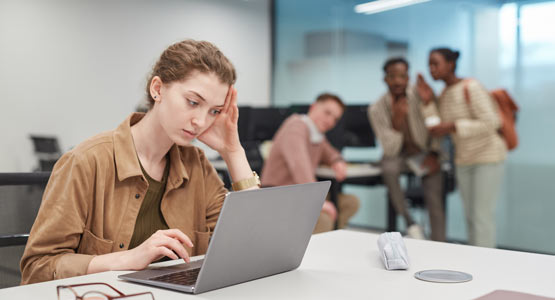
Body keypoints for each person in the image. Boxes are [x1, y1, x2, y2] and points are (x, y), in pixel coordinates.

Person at [20, 39, 260, 284]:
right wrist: (124, 259)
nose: (201, 121)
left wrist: (233, 152)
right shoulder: (86, 162)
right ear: (157, 89)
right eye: (193, 102)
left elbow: (254, 243)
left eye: (214, 111)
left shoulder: (196, 165)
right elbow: (38, 267)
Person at [417, 47, 506, 248]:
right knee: (471, 216)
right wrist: (427, 102)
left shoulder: (471, 87)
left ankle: (485, 264)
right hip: (464, 159)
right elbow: (435, 126)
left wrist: (454, 126)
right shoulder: (445, 93)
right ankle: (476, 259)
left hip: (487, 157)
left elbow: (493, 122)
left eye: (436, 63)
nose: (432, 69)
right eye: (429, 64)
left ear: (450, 64)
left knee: (481, 217)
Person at [369, 57, 445, 241]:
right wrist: (396, 121)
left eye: (402, 76)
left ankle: (440, 243)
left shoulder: (421, 96)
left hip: (424, 154)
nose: (397, 81)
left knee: (434, 199)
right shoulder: (376, 109)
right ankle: (410, 223)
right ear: (385, 79)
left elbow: (436, 126)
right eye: (392, 76)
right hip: (399, 156)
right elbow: (389, 149)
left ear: (408, 77)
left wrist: (434, 153)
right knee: (388, 167)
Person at [260, 93, 359, 233]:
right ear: (313, 107)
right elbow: (300, 166)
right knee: (324, 219)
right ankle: (311, 249)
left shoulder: (317, 135)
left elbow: (330, 153)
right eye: (327, 113)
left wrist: (337, 161)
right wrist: (317, 201)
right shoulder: (296, 126)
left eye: (335, 119)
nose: (330, 121)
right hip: (279, 196)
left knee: (351, 203)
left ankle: (329, 240)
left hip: (300, 194)